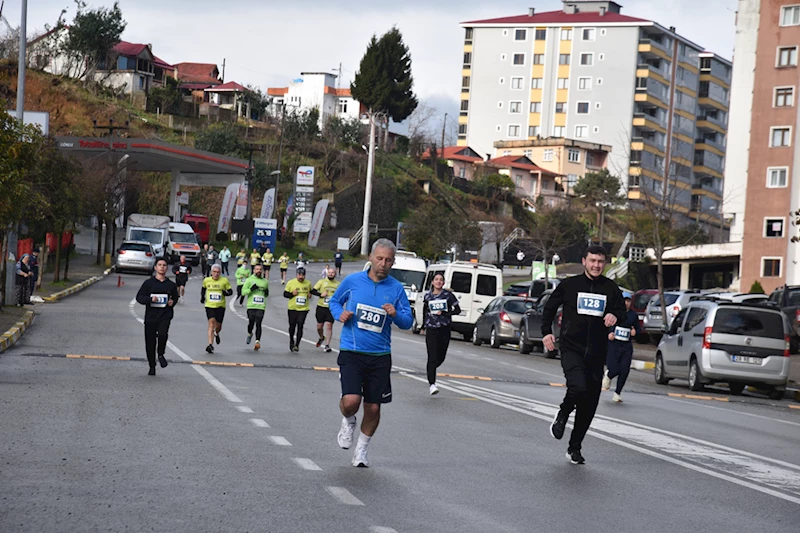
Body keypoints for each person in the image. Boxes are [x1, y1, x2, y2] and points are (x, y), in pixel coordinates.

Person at [328, 239, 413, 468]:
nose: (383, 264)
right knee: (351, 401)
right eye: (379, 258)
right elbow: (334, 301)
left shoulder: (396, 289)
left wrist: (395, 314)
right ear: (371, 257)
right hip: (352, 351)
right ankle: (348, 420)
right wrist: (340, 314)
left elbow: (408, 322)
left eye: (388, 260)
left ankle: (362, 450)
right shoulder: (353, 281)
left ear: (393, 262)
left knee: (374, 407)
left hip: (380, 355)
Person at [542, 245, 626, 465]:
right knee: (577, 386)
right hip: (572, 348)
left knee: (590, 403)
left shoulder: (611, 288)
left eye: (600, 261)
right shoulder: (570, 285)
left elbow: (623, 313)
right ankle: (562, 414)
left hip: (598, 353)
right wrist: (546, 333)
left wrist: (614, 316)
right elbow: (549, 308)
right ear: (584, 261)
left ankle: (574, 448)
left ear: (605, 263)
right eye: (592, 261)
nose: (596, 265)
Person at [135, 258, 179, 376]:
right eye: (159, 265)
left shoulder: (171, 285)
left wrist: (172, 302)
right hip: (151, 317)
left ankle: (160, 354)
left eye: (164, 265)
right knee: (150, 342)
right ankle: (152, 365)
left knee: (163, 334)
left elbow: (175, 297)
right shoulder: (148, 283)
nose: (162, 267)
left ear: (167, 268)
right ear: (155, 267)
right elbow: (139, 297)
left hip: (165, 315)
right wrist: (150, 299)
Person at [421, 273, 461, 395]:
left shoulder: (448, 296)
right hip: (431, 329)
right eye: (436, 280)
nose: (438, 282)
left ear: (443, 283)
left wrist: (445, 313)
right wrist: (423, 325)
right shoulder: (428, 296)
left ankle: (431, 368)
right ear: (432, 282)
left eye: (441, 280)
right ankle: (432, 384)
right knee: (432, 357)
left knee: (441, 357)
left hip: (444, 328)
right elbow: (425, 310)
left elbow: (458, 310)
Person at [603, 293, 638, 403]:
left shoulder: (633, 315)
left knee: (624, 370)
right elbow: (605, 326)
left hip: (626, 346)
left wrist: (635, 332)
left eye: (628, 301)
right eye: (624, 300)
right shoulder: (613, 313)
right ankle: (609, 375)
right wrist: (609, 334)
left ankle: (617, 393)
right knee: (614, 368)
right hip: (614, 345)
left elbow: (638, 329)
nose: (626, 303)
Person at [201, 264, 233, 354]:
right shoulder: (207, 280)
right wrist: (202, 297)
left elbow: (230, 292)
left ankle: (216, 333)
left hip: (220, 306)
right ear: (211, 272)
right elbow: (203, 289)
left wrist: (225, 293)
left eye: (218, 272)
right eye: (214, 272)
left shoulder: (224, 281)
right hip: (209, 305)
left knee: (218, 326)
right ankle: (210, 345)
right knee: (211, 323)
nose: (216, 274)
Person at [311, 267, 340, 353]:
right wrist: (321, 294)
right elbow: (313, 291)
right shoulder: (321, 282)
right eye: (329, 272)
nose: (331, 274)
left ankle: (327, 345)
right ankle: (321, 337)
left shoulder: (338, 284)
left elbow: (341, 295)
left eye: (332, 273)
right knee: (319, 326)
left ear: (335, 274)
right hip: (321, 307)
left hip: (331, 308)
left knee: (329, 326)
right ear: (327, 273)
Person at [283, 266, 312, 352]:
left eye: (303, 275)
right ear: (296, 275)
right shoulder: (291, 283)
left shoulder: (308, 283)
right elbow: (285, 294)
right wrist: (292, 294)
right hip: (292, 308)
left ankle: (297, 345)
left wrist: (310, 295)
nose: (301, 277)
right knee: (292, 326)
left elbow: (311, 291)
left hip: (304, 308)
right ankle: (291, 341)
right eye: (299, 275)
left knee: (300, 324)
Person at [242, 263, 269, 351]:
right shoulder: (249, 280)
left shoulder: (265, 281)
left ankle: (257, 341)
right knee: (251, 322)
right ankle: (250, 333)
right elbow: (243, 292)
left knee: (259, 323)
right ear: (254, 270)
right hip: (251, 306)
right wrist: (251, 289)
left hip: (261, 306)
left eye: (260, 269)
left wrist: (265, 292)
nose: (259, 271)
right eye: (257, 269)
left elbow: (267, 294)